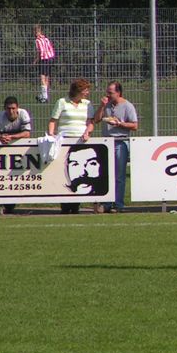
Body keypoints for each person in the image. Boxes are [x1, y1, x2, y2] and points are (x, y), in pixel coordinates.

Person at [48, 78, 95, 214]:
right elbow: (53, 120)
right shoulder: (62, 102)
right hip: (64, 141)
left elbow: (90, 122)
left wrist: (87, 132)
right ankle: (65, 203)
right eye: (85, 90)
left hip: (80, 142)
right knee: (64, 172)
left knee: (79, 171)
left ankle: (75, 204)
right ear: (78, 91)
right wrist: (52, 134)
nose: (87, 92)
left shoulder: (87, 104)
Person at [94, 81, 138, 213]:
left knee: (119, 175)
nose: (108, 95)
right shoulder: (106, 105)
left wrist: (120, 124)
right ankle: (107, 203)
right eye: (107, 92)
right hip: (106, 143)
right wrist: (102, 106)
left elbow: (135, 126)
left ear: (118, 93)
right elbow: (96, 120)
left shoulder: (128, 106)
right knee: (106, 174)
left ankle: (118, 204)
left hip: (120, 142)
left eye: (110, 92)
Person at [0, 96, 32, 215]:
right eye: (8, 108)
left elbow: (27, 133)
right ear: (4, 109)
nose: (11, 111)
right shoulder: (0, 117)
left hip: (17, 154)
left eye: (13, 108)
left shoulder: (23, 114)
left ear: (17, 107)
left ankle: (9, 205)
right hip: (1, 153)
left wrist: (11, 137)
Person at [33, 24, 55, 103]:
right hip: (50, 58)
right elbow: (51, 48)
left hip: (43, 59)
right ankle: (43, 95)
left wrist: (36, 60)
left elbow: (39, 51)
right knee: (46, 77)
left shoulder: (37, 40)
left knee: (42, 77)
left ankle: (44, 97)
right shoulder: (46, 39)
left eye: (35, 32)